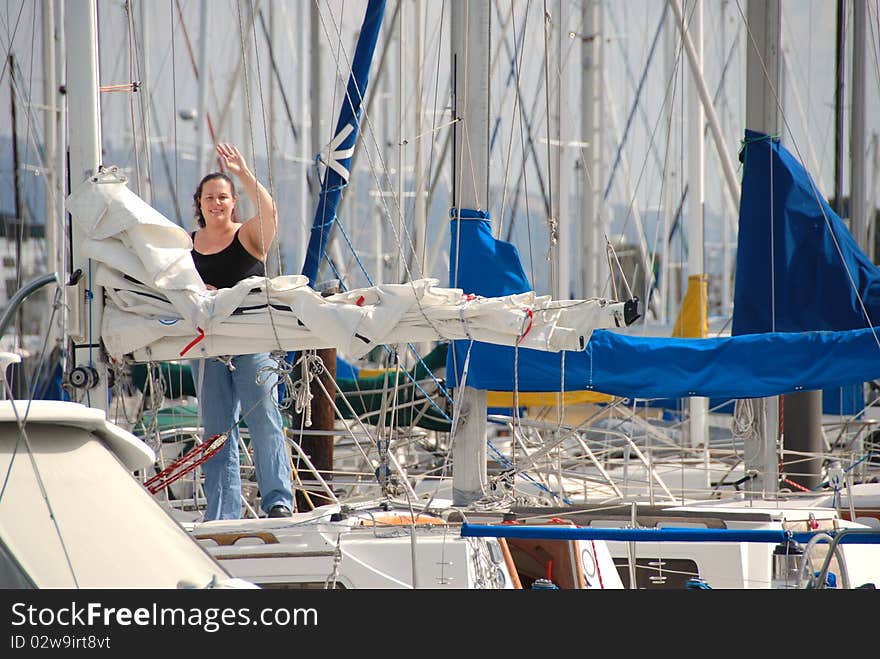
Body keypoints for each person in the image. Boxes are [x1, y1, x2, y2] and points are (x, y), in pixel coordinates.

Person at [189, 143, 295, 520]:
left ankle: (278, 501)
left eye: (222, 197)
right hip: (209, 348)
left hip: (252, 344)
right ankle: (222, 512)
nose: (216, 203)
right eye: (208, 198)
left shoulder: (248, 236)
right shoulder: (186, 247)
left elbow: (270, 213)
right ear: (199, 204)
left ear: (233, 202)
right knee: (216, 433)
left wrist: (244, 174)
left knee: (264, 421)